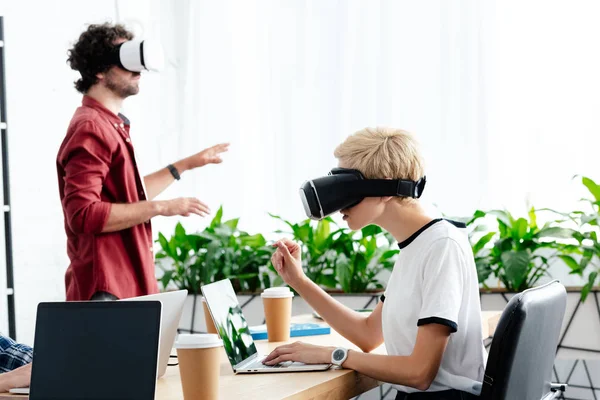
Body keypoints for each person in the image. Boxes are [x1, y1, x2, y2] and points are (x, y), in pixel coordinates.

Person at [266, 127, 486, 399]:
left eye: (347, 188)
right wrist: (297, 280)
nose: (339, 205)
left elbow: (420, 373)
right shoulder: (416, 245)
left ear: (385, 188)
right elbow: (369, 334)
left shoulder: (441, 246)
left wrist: (333, 355)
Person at [58, 23, 229, 301]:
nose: (138, 72)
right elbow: (83, 214)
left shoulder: (108, 124)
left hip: (126, 285)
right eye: (126, 63)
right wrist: (162, 208)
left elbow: (128, 196)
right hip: (106, 290)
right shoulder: (91, 128)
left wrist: (184, 165)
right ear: (100, 71)